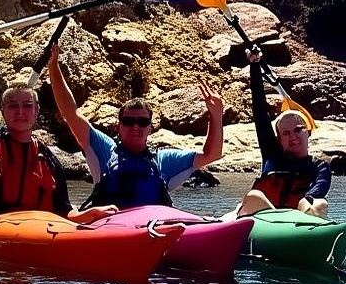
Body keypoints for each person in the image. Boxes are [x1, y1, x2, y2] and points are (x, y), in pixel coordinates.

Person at [0, 30, 113, 222]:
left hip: (32, 232)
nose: (20, 112)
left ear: (36, 112)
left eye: (27, 106)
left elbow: (64, 211)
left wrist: (87, 215)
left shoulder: (48, 159)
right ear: (3, 111)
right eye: (13, 106)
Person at [47, 43, 225, 208]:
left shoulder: (164, 160)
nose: (135, 127)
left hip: (149, 232)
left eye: (142, 122)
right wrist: (53, 67)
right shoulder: (105, 150)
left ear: (150, 128)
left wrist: (216, 115)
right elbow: (70, 114)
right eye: (129, 121)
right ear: (119, 127)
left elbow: (212, 154)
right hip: (110, 230)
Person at [233, 48, 331, 218]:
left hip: (295, 222)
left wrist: (307, 199)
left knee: (320, 203)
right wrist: (255, 66)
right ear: (279, 138)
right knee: (254, 196)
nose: (292, 136)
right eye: (285, 133)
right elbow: (260, 112)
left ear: (308, 132)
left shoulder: (319, 167)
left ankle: (308, 236)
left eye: (298, 130)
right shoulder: (272, 155)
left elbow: (320, 187)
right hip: (263, 221)